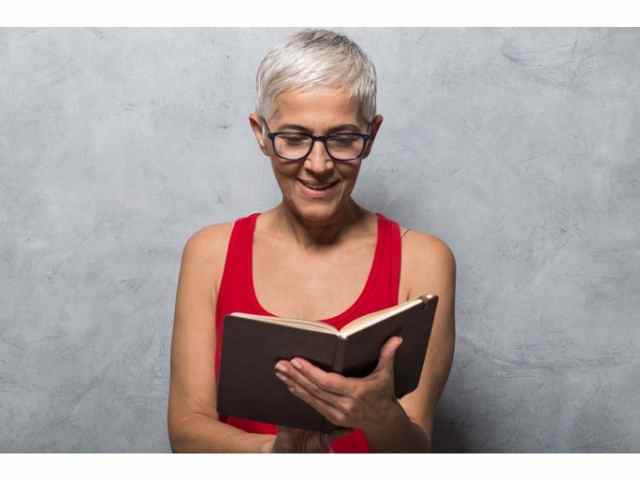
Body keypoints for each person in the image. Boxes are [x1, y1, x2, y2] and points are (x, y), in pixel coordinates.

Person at [167, 28, 456, 453]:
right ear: (261, 134)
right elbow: (187, 430)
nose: (317, 165)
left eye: (342, 140)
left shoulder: (423, 260)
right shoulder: (210, 254)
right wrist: (273, 454)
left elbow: (416, 448)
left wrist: (380, 417)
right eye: (295, 138)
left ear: (370, 137)